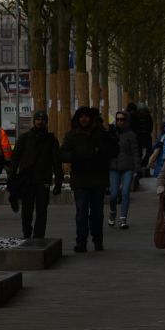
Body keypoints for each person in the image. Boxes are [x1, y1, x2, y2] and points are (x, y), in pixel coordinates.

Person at [61, 107, 114, 253]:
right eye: (81, 117)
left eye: (87, 117)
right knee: (81, 212)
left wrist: (100, 153)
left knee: (97, 212)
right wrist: (75, 156)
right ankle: (81, 241)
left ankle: (98, 240)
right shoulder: (72, 135)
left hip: (98, 178)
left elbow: (111, 152)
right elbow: (63, 153)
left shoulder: (101, 134)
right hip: (80, 179)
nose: (84, 119)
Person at [8, 110, 63, 239]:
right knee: (27, 210)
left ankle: (39, 236)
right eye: (38, 119)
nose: (40, 121)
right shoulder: (24, 138)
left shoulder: (51, 140)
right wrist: (12, 176)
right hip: (27, 180)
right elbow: (15, 158)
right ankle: (27, 234)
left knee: (42, 210)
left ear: (46, 122)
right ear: (34, 121)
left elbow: (56, 162)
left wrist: (58, 181)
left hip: (43, 179)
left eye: (43, 119)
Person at [107, 110, 139, 228]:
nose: (120, 121)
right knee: (114, 194)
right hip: (113, 167)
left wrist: (137, 167)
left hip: (127, 167)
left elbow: (135, 151)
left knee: (125, 192)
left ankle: (123, 218)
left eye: (122, 119)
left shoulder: (131, 135)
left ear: (126, 121)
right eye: (118, 119)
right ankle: (112, 212)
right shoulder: (111, 133)